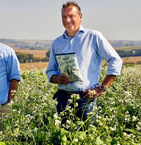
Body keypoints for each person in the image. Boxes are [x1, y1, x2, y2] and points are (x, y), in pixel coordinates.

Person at [46, 1, 122, 129]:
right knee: (63, 139)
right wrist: (57, 78)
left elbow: (116, 60)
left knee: (87, 138)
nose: (67, 20)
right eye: (64, 17)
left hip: (86, 99)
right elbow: (50, 71)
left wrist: (101, 88)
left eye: (71, 16)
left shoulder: (93, 36)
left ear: (80, 17)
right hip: (63, 98)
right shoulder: (57, 43)